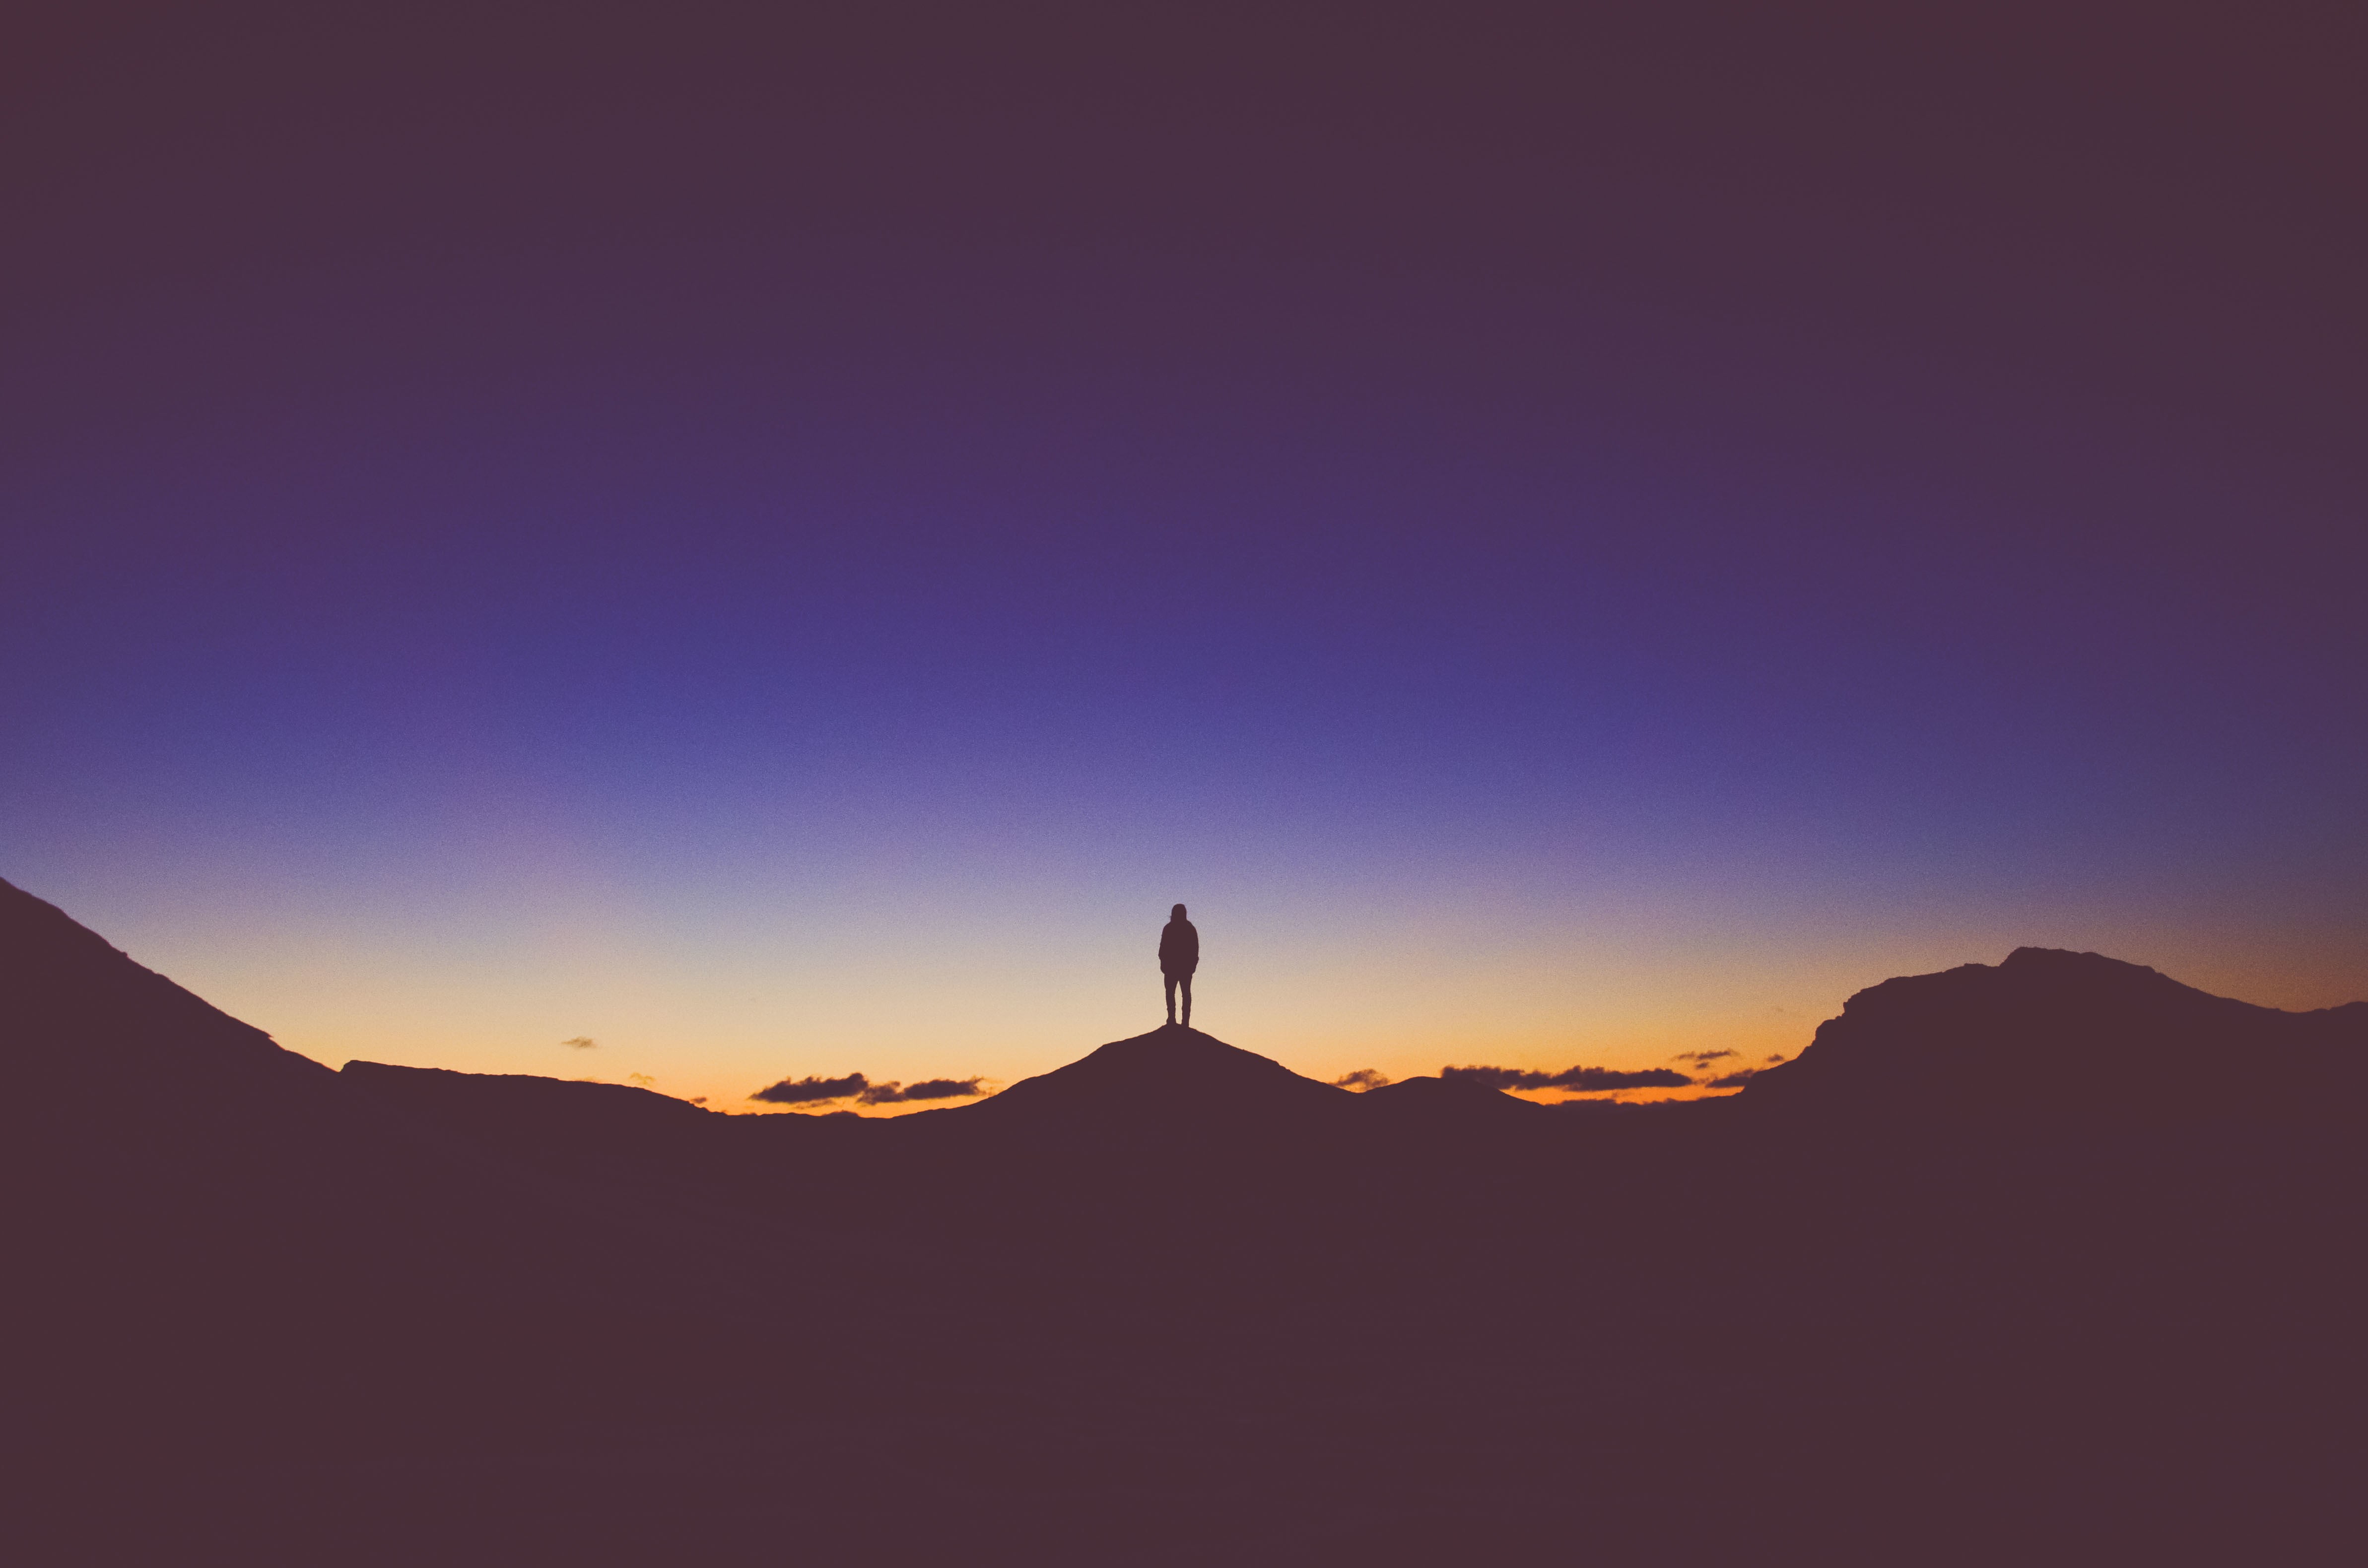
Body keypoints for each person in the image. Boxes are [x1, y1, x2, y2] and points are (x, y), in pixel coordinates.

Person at [1159, 903, 1198, 1027]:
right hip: (1175, 967)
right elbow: (1163, 948)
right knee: (1175, 993)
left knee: (1183, 993)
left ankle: (1181, 1021)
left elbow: (1194, 949)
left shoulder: (1187, 928)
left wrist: (1193, 964)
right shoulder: (1172, 928)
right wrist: (1163, 962)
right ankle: (1174, 1020)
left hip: (1181, 967)